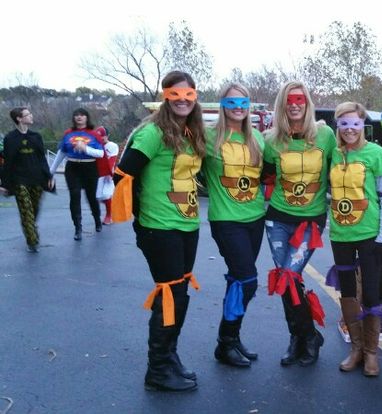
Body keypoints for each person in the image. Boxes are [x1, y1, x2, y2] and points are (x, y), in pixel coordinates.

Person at [113, 70, 206, 392]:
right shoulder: (153, 133)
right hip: (159, 228)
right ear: (165, 97)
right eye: (175, 95)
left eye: (188, 95)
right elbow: (123, 174)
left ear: (195, 98)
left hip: (187, 224)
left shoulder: (191, 132)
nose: (182, 101)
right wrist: (142, 218)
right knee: (171, 294)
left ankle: (169, 356)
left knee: (179, 295)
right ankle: (157, 369)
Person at [262, 81, 336, 366]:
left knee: (291, 276)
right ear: (282, 105)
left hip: (311, 220)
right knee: (285, 278)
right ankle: (301, 337)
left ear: (307, 103)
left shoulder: (326, 135)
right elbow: (264, 176)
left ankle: (306, 336)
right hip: (278, 218)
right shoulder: (271, 141)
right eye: (289, 100)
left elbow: (339, 171)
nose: (294, 104)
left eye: (300, 99)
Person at [327, 102, 382, 377]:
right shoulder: (333, 153)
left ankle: (371, 353)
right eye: (344, 124)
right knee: (347, 294)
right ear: (338, 127)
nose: (350, 129)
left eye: (354, 123)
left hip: (369, 235)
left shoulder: (376, 154)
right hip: (340, 234)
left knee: (372, 292)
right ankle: (355, 349)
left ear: (363, 125)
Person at [202, 83, 265, 367]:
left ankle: (231, 340)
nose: (238, 107)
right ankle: (225, 341)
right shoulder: (209, 136)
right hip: (226, 220)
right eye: (231, 102)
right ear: (222, 105)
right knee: (248, 280)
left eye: (243, 102)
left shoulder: (257, 140)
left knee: (238, 280)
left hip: (255, 219)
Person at [2, 107, 54, 252]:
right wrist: (4, 184)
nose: (31, 116)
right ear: (19, 118)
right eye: (28, 114)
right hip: (19, 180)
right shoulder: (10, 138)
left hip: (37, 179)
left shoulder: (36, 136)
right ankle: (32, 241)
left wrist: (49, 176)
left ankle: (30, 226)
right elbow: (8, 163)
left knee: (34, 209)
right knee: (26, 210)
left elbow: (42, 158)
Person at [49, 108, 105, 240]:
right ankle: (78, 227)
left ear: (87, 118)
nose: (79, 117)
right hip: (73, 167)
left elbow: (101, 153)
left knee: (91, 196)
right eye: (76, 115)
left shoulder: (94, 134)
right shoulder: (68, 134)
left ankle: (97, 219)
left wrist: (86, 148)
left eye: (82, 115)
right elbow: (62, 152)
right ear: (74, 118)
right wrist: (51, 171)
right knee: (74, 195)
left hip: (89, 167)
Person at [95, 126, 119, 225]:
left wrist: (109, 173)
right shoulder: (96, 145)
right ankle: (112, 205)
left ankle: (109, 215)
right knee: (98, 196)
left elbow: (111, 160)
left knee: (106, 194)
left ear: (107, 136)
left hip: (108, 173)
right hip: (98, 174)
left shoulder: (112, 146)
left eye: (103, 136)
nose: (101, 138)